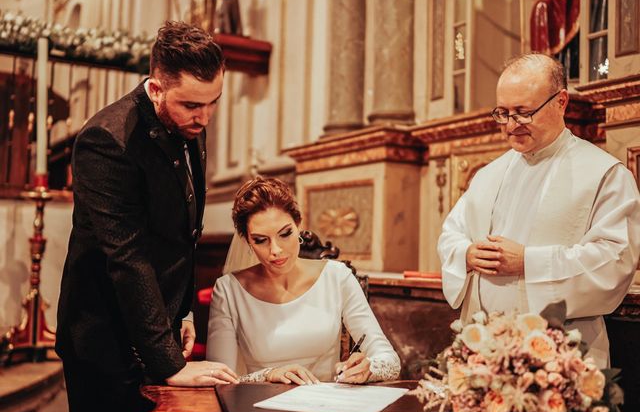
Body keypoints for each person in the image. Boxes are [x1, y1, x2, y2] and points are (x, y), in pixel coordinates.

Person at [56, 21, 238, 412]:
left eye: (214, 102)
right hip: (105, 341)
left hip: (156, 328)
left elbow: (183, 236)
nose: (205, 116)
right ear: (155, 88)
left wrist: (186, 313)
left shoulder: (190, 122)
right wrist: (170, 363)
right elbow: (128, 258)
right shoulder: (107, 141)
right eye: (193, 104)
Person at [438, 53, 640, 369]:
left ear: (561, 102)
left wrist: (528, 262)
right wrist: (466, 253)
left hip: (560, 362)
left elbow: (614, 262)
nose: (510, 125)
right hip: (484, 353)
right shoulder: (489, 174)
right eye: (502, 113)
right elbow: (452, 233)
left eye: (523, 113)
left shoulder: (604, 174)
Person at [207, 177, 401, 384]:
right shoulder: (228, 290)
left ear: (298, 225)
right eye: (261, 240)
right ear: (247, 241)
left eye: (285, 234)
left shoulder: (337, 277)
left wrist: (368, 369)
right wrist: (267, 375)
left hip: (329, 406)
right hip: (259, 409)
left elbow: (390, 361)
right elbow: (220, 379)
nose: (276, 250)